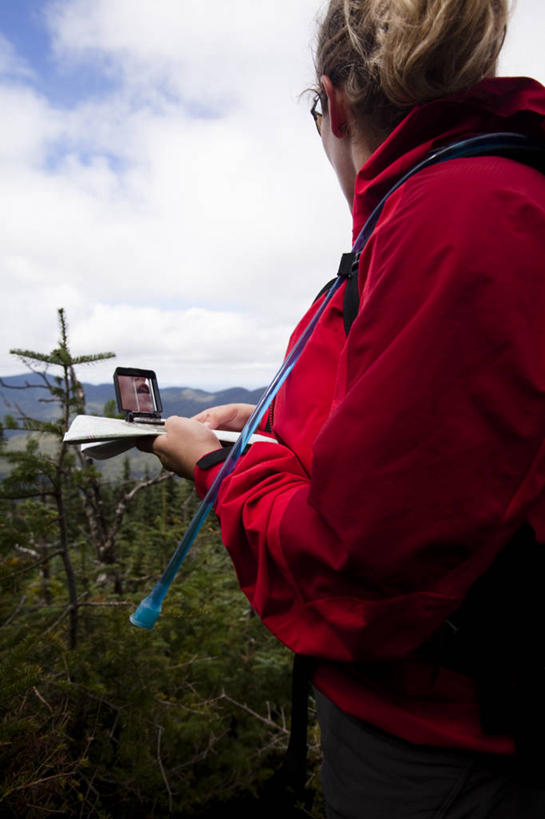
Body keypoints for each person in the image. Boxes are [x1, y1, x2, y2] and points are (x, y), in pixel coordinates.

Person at [143, 1, 545, 816]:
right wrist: (271, 417)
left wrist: (217, 464)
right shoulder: (457, 197)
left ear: (333, 103)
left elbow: (359, 568)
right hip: (452, 713)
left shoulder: (459, 214)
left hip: (446, 736)